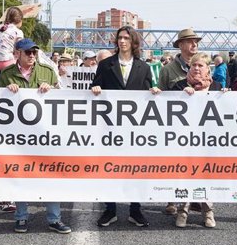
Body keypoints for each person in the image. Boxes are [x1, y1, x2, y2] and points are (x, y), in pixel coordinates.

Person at [0, 38, 71, 234]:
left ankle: (54, 219)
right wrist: (6, 92)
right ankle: (21, 217)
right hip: (19, 136)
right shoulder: (6, 75)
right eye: (27, 52)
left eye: (34, 52)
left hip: (45, 134)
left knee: (51, 175)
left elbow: (62, 97)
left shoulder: (47, 71)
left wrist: (52, 90)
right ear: (17, 54)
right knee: (21, 174)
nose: (32, 55)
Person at [92, 26, 153, 227]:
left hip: (134, 128)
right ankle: (110, 209)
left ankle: (135, 209)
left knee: (135, 166)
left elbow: (147, 94)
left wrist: (154, 92)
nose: (122, 41)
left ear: (133, 42)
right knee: (109, 166)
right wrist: (96, 88)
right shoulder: (105, 64)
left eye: (126, 38)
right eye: (120, 38)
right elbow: (95, 85)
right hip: (110, 127)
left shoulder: (143, 67)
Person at [169, 53, 221, 228]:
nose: (197, 69)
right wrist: (182, 95)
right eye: (194, 65)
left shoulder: (217, 87)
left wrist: (226, 96)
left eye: (201, 66)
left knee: (206, 176)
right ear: (189, 68)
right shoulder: (180, 86)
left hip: (208, 141)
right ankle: (183, 210)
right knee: (186, 175)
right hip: (185, 141)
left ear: (208, 69)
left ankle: (208, 212)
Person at [158, 28, 201, 215]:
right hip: (176, 125)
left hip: (199, 124)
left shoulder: (203, 65)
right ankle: (172, 199)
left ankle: (195, 198)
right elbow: (160, 94)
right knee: (175, 163)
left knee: (197, 162)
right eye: (190, 41)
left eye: (196, 41)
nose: (194, 44)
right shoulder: (168, 69)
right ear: (181, 45)